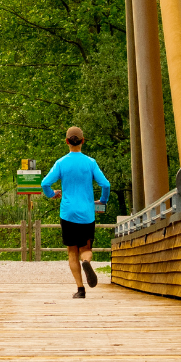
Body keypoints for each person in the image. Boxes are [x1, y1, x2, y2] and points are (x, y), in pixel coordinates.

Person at [41, 126, 110, 298]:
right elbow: (106, 185)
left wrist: (52, 194)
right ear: (82, 141)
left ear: (66, 142)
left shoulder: (61, 163)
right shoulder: (90, 162)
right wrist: (102, 200)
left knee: (72, 251)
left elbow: (45, 183)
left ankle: (80, 289)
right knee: (85, 248)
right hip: (87, 213)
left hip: (68, 213)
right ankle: (86, 261)